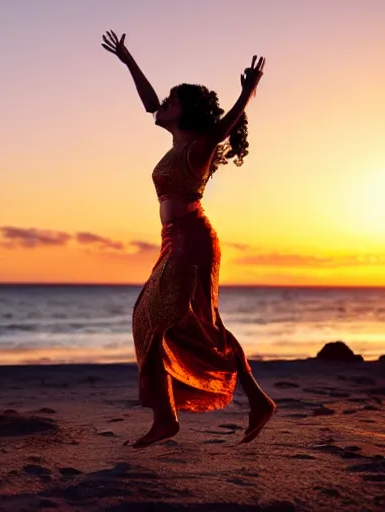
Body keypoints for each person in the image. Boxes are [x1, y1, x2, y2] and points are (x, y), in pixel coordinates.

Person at [101, 30, 277, 448]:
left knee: (177, 322)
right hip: (172, 241)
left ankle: (171, 418)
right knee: (150, 317)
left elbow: (220, 130)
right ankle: (240, 403)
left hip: (193, 242)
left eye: (171, 100)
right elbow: (149, 104)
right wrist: (128, 61)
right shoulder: (177, 141)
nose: (163, 104)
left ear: (187, 113)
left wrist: (248, 95)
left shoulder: (199, 147)